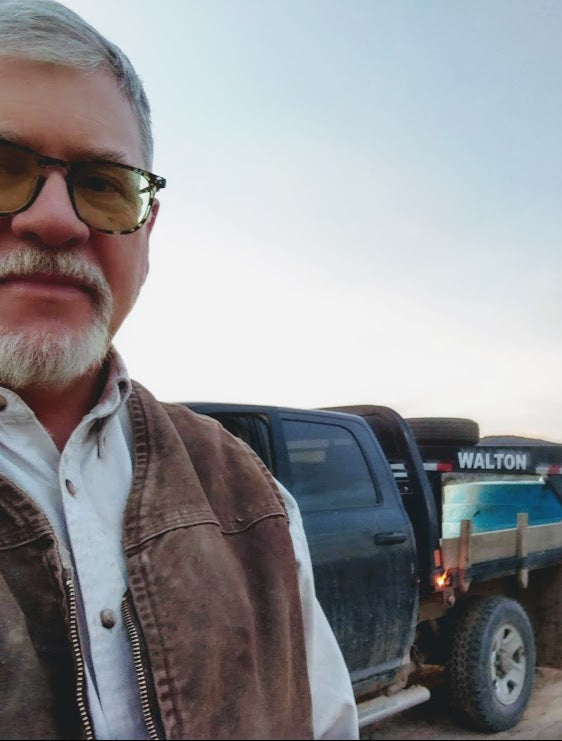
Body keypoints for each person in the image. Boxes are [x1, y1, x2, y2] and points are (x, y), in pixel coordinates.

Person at [0, 1, 359, 739]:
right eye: (3, 170)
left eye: (103, 183)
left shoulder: (251, 498)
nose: (55, 219)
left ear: (146, 230)